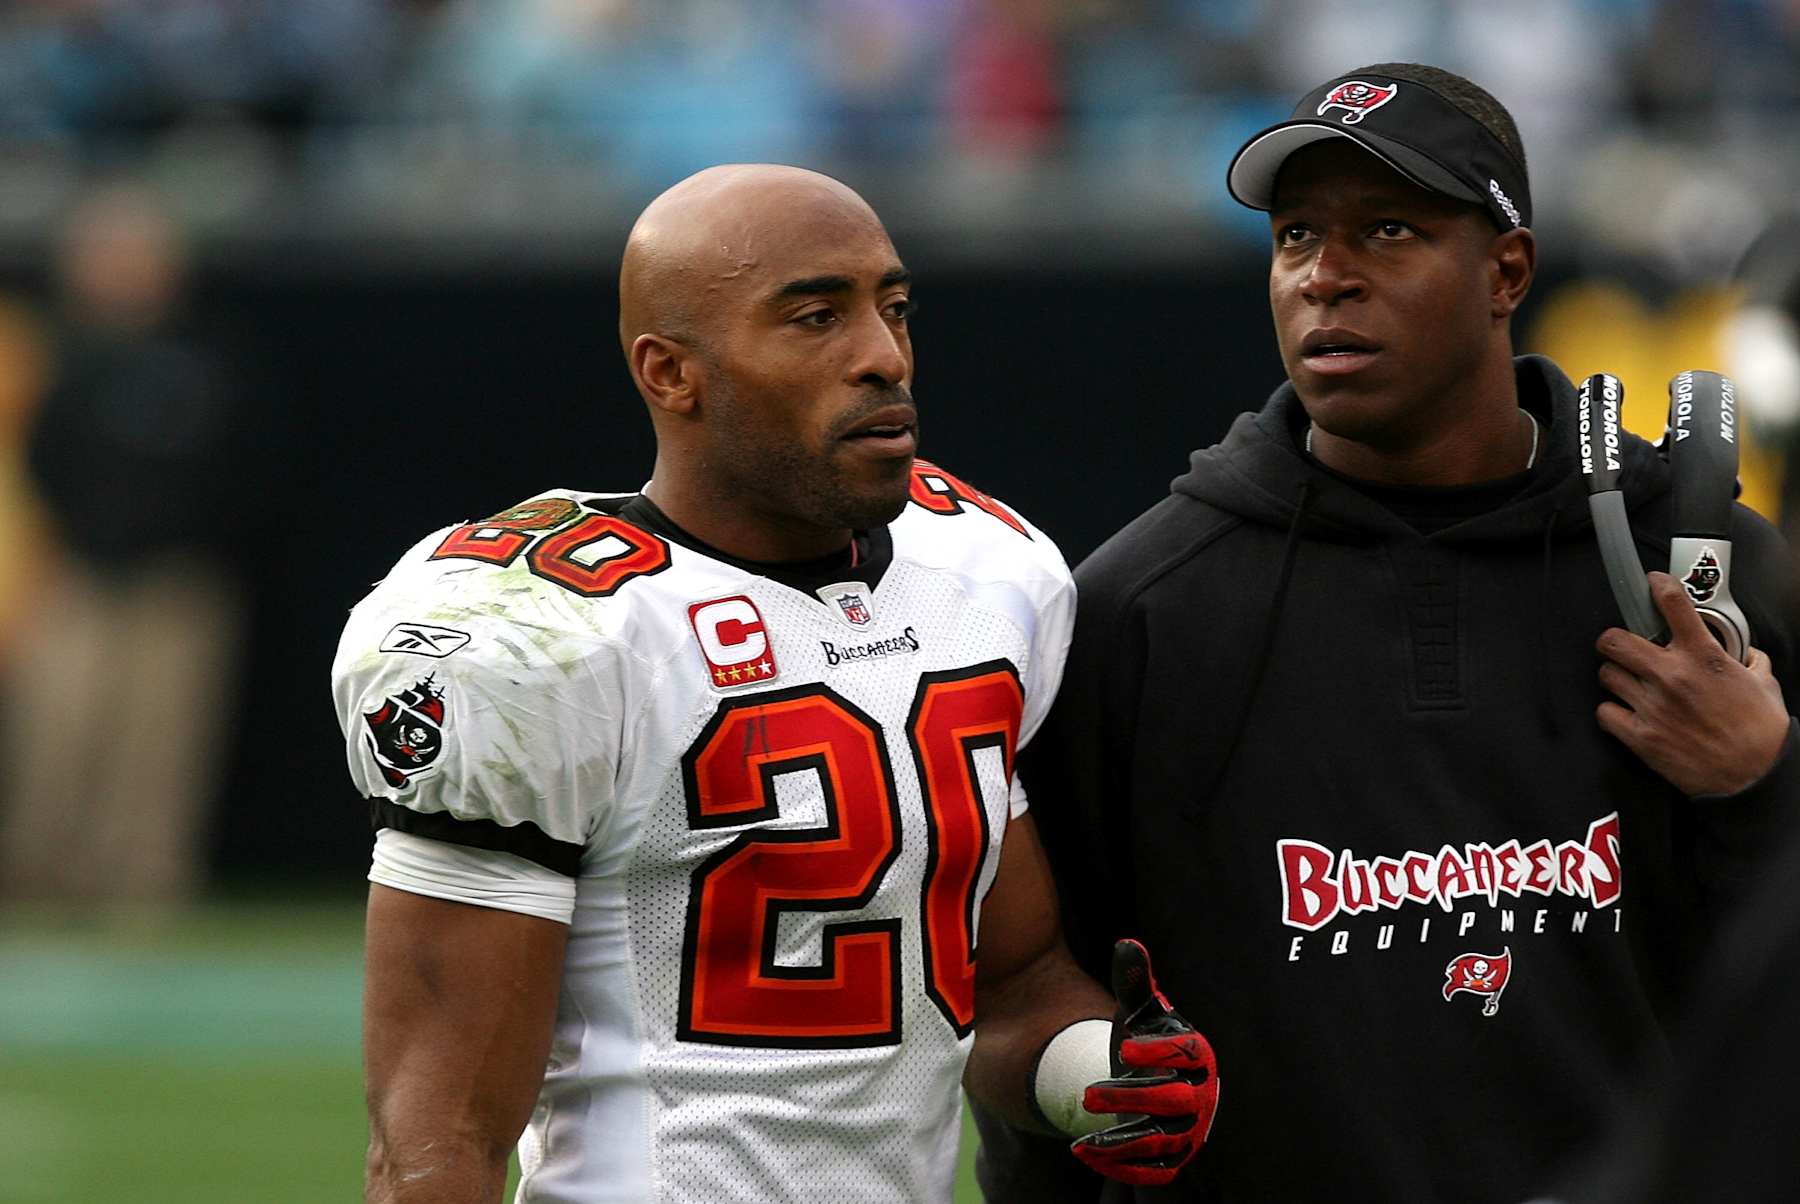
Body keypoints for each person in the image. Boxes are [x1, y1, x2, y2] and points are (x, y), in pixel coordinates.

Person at [973, 64, 1800, 1203]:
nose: (1326, 277)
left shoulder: (1699, 569)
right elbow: (1035, 1007)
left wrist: (1764, 777)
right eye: (1296, 235)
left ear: (1506, 268)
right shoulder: (1140, 610)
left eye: (1389, 230)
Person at [333, 164, 1217, 1203]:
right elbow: (439, 1139)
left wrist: (1100, 1075)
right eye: (815, 317)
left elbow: (1010, 988)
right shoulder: (543, 636)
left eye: (893, 309)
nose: (883, 358)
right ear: (671, 372)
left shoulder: (984, 576)